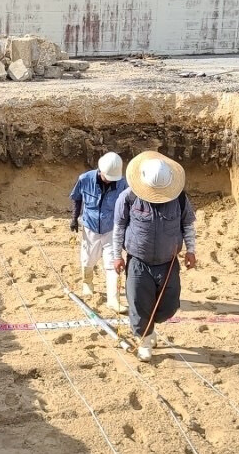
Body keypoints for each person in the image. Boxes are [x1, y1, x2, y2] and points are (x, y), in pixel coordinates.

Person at [112, 151, 197, 362]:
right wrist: (117, 256)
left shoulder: (180, 199)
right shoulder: (128, 198)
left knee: (169, 306)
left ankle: (150, 328)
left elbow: (187, 225)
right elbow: (119, 228)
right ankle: (144, 340)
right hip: (138, 261)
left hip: (168, 263)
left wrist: (191, 250)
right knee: (139, 303)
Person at [69, 151, 129, 314]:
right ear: (100, 170)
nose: (110, 180)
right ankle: (87, 283)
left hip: (112, 229)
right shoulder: (85, 179)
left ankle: (113, 300)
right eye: (107, 176)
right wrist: (74, 218)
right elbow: (77, 198)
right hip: (90, 228)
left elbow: (127, 205)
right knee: (88, 259)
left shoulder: (122, 184)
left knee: (112, 264)